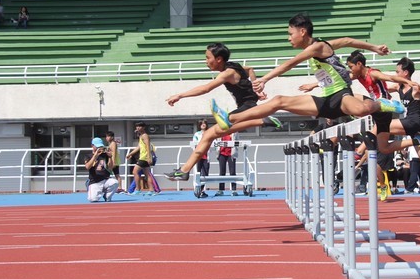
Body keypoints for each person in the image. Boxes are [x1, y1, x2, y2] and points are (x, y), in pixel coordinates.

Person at [209, 13, 404, 136]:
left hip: (341, 95)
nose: (289, 38)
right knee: (278, 101)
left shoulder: (317, 47)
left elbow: (291, 63)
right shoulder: (322, 45)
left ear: (302, 31)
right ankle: (231, 119)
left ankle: (382, 103)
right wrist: (374, 47)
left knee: (361, 110)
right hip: (326, 100)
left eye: (290, 33)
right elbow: (346, 40)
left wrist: (265, 78)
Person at [164, 42, 281, 182]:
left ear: (218, 59)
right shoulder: (234, 66)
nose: (206, 61)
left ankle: (245, 119)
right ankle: (263, 121)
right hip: (247, 106)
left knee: (212, 132)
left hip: (247, 108)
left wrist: (180, 95)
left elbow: (206, 88)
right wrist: (257, 89)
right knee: (208, 135)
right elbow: (250, 69)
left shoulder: (228, 73)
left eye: (208, 58)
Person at [378, 57, 420, 211]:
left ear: (406, 73)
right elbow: (384, 88)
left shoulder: (415, 87)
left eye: (397, 72)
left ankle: (415, 141)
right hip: (416, 128)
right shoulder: (398, 87)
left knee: (382, 127)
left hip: (414, 122)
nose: (395, 74)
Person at [126, 121, 156, 195]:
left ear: (143, 127)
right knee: (147, 174)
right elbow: (139, 147)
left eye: (140, 126)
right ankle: (151, 190)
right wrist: (131, 154)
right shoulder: (141, 136)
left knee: (135, 172)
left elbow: (148, 146)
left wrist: (149, 157)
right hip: (143, 157)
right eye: (137, 126)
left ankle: (138, 189)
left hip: (144, 157)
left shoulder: (145, 136)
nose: (138, 128)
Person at [84, 137, 118, 202]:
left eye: (100, 146)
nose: (99, 148)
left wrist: (110, 157)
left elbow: (110, 167)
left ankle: (106, 196)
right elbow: (87, 167)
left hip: (105, 179)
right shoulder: (88, 156)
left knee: (115, 182)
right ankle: (91, 187)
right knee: (93, 199)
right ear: (92, 146)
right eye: (97, 147)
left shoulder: (105, 155)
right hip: (95, 181)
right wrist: (95, 156)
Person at [214, 132, 238, 196]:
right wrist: (217, 152)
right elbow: (216, 142)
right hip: (222, 153)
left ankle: (234, 190)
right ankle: (221, 190)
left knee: (232, 172)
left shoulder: (234, 132)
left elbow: (237, 142)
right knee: (222, 172)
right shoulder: (220, 132)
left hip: (231, 154)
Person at [192, 119, 211, 197]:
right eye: (201, 123)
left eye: (204, 123)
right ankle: (198, 190)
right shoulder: (197, 134)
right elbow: (194, 144)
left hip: (206, 155)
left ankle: (202, 190)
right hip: (199, 155)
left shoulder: (209, 133)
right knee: (198, 173)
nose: (203, 125)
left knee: (206, 173)